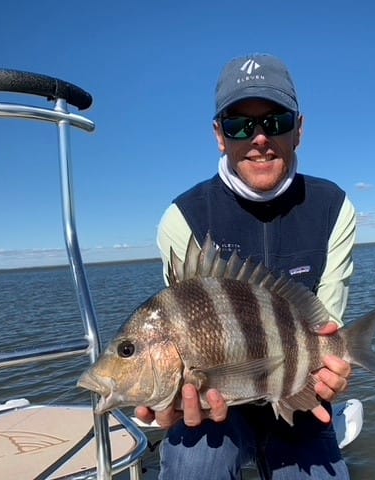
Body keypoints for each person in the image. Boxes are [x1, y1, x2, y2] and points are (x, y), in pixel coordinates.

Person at [135, 53, 357, 479]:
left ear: (299, 131)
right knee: (192, 468)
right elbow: (180, 321)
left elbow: (325, 328)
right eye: (239, 124)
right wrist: (166, 397)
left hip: (294, 386)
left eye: (276, 121)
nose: (259, 138)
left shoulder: (334, 208)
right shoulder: (182, 218)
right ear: (220, 135)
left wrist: (333, 371)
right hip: (215, 400)